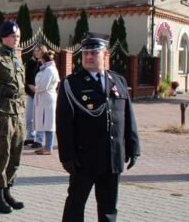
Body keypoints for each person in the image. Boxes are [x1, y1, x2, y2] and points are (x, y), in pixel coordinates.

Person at [56, 33, 141, 222]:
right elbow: (64, 124)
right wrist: (67, 156)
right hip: (84, 159)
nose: (88, 57)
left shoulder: (118, 81)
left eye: (94, 53)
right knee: (75, 205)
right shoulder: (71, 84)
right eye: (85, 53)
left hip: (112, 157)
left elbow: (128, 116)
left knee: (109, 208)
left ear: (105, 55)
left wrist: (133, 147)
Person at [0, 21, 26, 214]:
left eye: (18, 36)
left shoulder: (16, 58)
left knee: (16, 155)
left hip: (18, 112)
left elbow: (21, 87)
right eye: (13, 36)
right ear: (3, 37)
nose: (16, 39)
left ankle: (8, 190)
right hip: (2, 113)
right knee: (2, 156)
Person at [33, 50, 60, 155]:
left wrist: (36, 88)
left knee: (49, 122)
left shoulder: (49, 69)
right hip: (44, 97)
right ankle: (46, 146)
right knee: (45, 122)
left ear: (44, 59)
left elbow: (44, 85)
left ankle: (48, 147)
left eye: (40, 59)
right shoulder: (47, 69)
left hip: (47, 98)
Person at [24, 44, 46, 148]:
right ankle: (30, 137)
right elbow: (26, 76)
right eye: (36, 51)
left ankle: (39, 139)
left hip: (41, 94)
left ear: (43, 52)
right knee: (29, 117)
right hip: (31, 93)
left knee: (39, 117)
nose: (37, 53)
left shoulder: (46, 64)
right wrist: (29, 85)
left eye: (39, 51)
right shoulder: (30, 62)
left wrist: (38, 88)